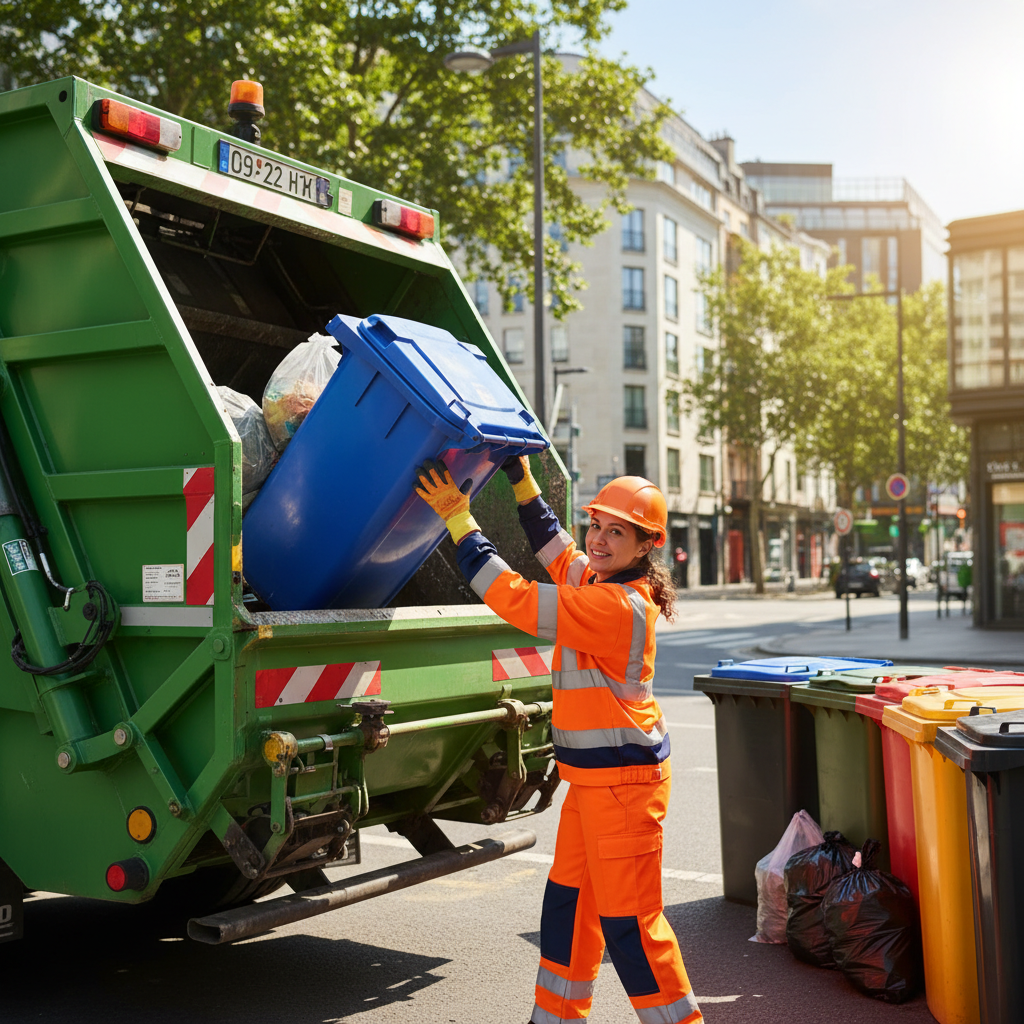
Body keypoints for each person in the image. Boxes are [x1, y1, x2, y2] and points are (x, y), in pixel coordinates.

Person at [414, 455, 703, 1024]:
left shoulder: (616, 605)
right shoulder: (601, 581)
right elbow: (561, 554)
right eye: (597, 524)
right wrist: (524, 487)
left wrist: (459, 519)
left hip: (623, 790)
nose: (597, 538)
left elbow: (517, 597)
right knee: (569, 910)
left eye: (615, 532)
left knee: (631, 929)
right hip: (595, 785)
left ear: (646, 545)